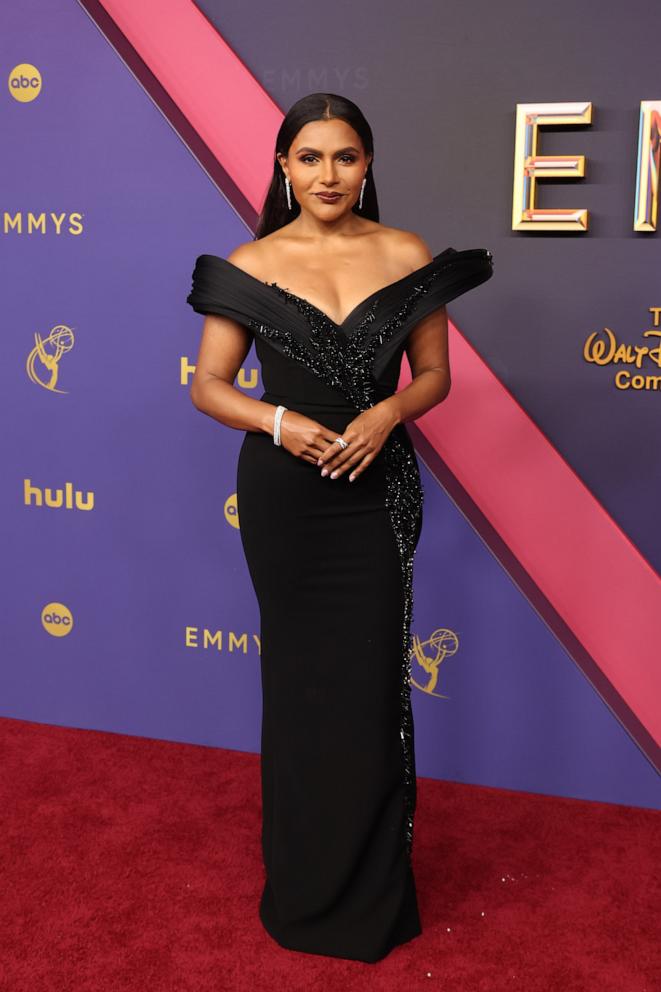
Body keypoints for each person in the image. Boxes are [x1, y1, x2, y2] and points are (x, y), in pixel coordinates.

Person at [186, 92, 493, 963]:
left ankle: (371, 894)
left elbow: (433, 373)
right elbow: (209, 386)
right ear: (283, 167)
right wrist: (278, 422)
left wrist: (388, 413)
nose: (329, 175)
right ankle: (304, 884)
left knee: (370, 687)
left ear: (369, 166)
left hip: (377, 489)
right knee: (299, 686)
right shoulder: (250, 261)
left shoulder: (404, 254)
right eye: (310, 157)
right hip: (286, 499)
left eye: (346, 157)